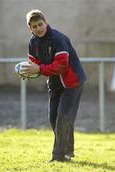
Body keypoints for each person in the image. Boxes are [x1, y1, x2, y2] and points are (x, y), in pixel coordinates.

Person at [21, 9, 86, 162]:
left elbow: (62, 65)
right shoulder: (33, 42)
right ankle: (68, 151)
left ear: (46, 22)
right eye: (34, 26)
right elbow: (35, 63)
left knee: (63, 117)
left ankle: (59, 157)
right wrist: (29, 72)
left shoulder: (58, 39)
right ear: (30, 28)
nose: (38, 28)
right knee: (53, 118)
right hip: (54, 83)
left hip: (72, 83)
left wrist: (39, 69)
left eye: (40, 24)